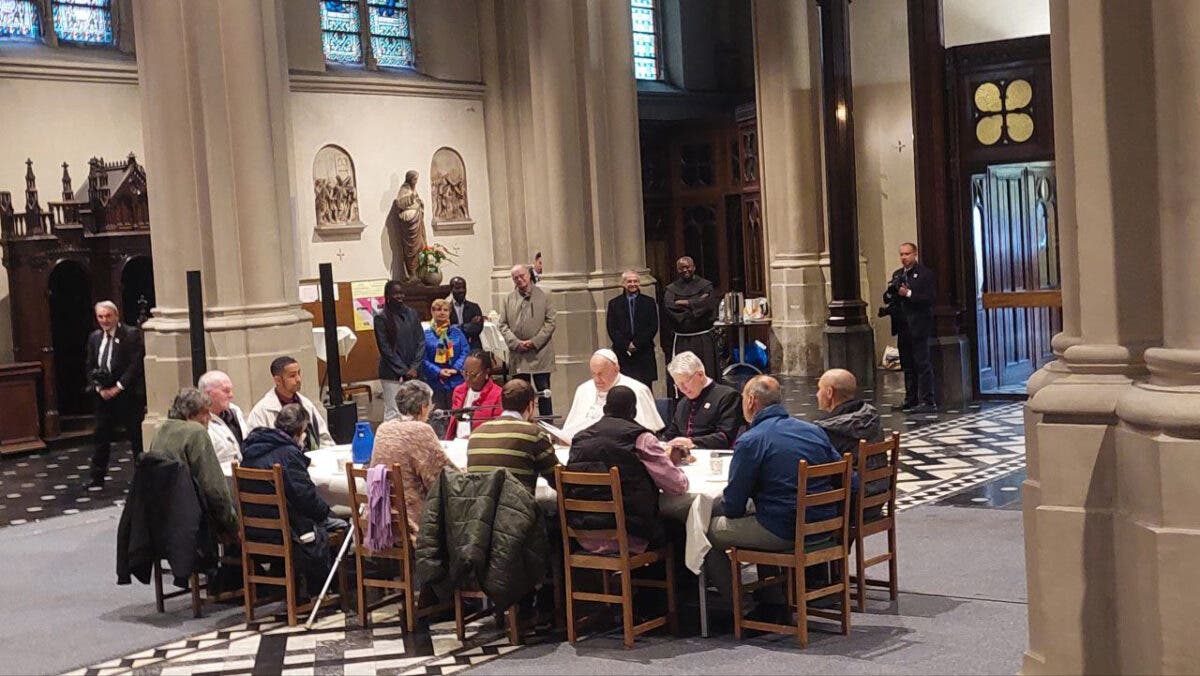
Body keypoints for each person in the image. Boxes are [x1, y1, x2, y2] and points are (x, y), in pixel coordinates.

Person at [704, 376, 842, 616]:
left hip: (783, 529)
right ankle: (772, 593)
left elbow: (734, 505)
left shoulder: (751, 440)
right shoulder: (813, 431)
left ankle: (744, 608)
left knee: (703, 533)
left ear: (750, 401)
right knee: (759, 511)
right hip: (823, 523)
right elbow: (846, 478)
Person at [567, 386, 690, 554]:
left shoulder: (580, 438)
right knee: (682, 529)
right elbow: (677, 486)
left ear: (605, 408)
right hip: (630, 533)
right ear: (633, 410)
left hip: (583, 533)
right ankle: (654, 579)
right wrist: (674, 468)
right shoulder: (640, 438)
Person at [241, 404, 338, 599]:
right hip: (288, 533)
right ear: (300, 431)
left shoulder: (251, 450)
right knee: (343, 524)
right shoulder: (289, 454)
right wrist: (327, 512)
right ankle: (323, 589)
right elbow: (305, 498)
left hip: (255, 531)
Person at [368, 380, 457, 541]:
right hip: (411, 518)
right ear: (423, 407)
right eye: (430, 405)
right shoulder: (420, 430)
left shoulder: (383, 428)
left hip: (381, 517)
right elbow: (439, 476)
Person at [147, 388, 240, 540]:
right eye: (205, 413)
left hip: (161, 514)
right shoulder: (196, 432)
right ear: (190, 415)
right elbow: (213, 488)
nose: (209, 418)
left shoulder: (161, 430)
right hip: (193, 517)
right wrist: (233, 525)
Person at [85, 300, 146, 487]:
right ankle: (97, 478)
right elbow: (90, 364)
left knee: (135, 436)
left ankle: (142, 477)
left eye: (108, 316)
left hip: (126, 395)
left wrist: (118, 387)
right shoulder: (95, 337)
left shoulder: (130, 334)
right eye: (100, 317)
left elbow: (135, 365)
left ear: (116, 315)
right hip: (103, 396)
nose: (104, 320)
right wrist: (98, 387)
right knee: (101, 436)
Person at [813, 368, 887, 518]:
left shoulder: (829, 430)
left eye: (819, 389)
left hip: (851, 505)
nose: (816, 394)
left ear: (829, 393)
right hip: (877, 498)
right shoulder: (871, 417)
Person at [466, 379, 559, 494]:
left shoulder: (476, 434)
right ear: (530, 406)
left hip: (479, 510)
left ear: (502, 404)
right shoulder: (533, 433)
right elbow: (557, 480)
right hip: (516, 510)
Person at [881, 241, 937, 413]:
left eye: (907, 254)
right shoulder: (898, 274)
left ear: (915, 254)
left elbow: (929, 298)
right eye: (901, 254)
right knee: (907, 364)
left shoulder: (925, 274)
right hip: (903, 326)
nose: (904, 258)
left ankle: (927, 401)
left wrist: (909, 294)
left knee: (922, 363)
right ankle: (910, 399)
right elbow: (892, 297)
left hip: (919, 325)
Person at [561, 349, 664, 439]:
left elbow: (644, 432)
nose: (596, 380)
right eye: (593, 374)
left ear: (616, 369)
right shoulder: (583, 389)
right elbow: (570, 429)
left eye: (601, 374)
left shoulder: (637, 390)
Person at [498, 263, 556, 417]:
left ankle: (547, 424)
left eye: (521, 276)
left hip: (540, 353)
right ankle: (521, 421)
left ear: (529, 275)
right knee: (520, 393)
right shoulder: (507, 299)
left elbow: (550, 322)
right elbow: (502, 324)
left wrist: (534, 342)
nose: (519, 279)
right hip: (519, 353)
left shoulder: (545, 294)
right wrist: (516, 343)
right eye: (515, 278)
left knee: (544, 392)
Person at [246, 356, 334, 450]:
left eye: (299, 373)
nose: (298, 379)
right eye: (292, 376)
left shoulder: (307, 405)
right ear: (278, 380)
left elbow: (325, 439)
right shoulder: (261, 411)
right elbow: (256, 448)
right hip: (280, 462)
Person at [661, 351, 743, 451]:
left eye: (685, 382)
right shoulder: (682, 403)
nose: (682, 389)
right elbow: (672, 433)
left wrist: (692, 442)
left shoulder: (727, 396)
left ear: (700, 374)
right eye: (678, 385)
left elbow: (725, 437)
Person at [374, 280, 425, 422]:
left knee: (414, 411)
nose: (399, 296)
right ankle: (389, 442)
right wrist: (403, 370)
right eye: (395, 293)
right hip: (391, 373)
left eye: (401, 293)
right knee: (394, 412)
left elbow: (421, 341)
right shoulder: (381, 318)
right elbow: (385, 348)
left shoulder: (412, 314)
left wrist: (414, 367)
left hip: (413, 371)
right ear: (388, 295)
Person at [663, 256, 719, 382]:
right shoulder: (671, 289)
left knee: (706, 372)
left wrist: (686, 303)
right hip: (683, 339)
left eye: (688, 267)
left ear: (694, 267)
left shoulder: (706, 285)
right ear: (677, 270)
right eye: (682, 268)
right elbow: (670, 307)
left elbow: (707, 304)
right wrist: (695, 306)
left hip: (703, 338)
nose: (685, 270)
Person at [606, 270, 659, 388]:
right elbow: (612, 328)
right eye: (629, 281)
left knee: (644, 388)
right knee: (625, 388)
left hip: (643, 352)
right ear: (623, 284)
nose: (633, 284)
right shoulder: (614, 304)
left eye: (635, 281)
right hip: (623, 354)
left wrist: (636, 344)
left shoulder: (649, 302)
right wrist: (626, 345)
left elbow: (653, 326)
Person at [445, 350, 504, 440]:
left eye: (473, 375)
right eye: (465, 373)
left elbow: (498, 430)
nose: (468, 378)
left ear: (486, 372)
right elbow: (453, 425)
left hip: (482, 446)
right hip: (457, 444)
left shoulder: (498, 395)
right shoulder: (459, 391)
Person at [423, 298, 469, 411]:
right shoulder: (425, 335)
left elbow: (465, 351)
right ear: (432, 312)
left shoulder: (457, 333)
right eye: (438, 309)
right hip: (435, 382)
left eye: (445, 310)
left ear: (449, 313)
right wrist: (438, 371)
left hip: (457, 380)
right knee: (438, 416)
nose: (442, 312)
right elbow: (423, 358)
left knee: (459, 414)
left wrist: (455, 369)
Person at [198, 370, 247, 463]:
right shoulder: (200, 421)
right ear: (208, 393)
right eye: (226, 391)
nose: (231, 395)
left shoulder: (235, 410)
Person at [395, 170, 429, 282]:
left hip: (417, 222)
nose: (416, 182)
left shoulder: (414, 190)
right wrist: (411, 198)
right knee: (411, 250)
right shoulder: (404, 189)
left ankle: (420, 273)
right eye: (414, 179)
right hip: (409, 224)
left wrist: (420, 203)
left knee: (420, 247)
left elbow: (417, 202)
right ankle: (412, 273)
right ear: (409, 179)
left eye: (416, 179)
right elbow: (400, 203)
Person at [448, 276, 485, 352]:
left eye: (463, 287)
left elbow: (477, 328)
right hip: (453, 347)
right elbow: (446, 330)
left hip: (472, 347)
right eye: (458, 288)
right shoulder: (446, 309)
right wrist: (467, 325)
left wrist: (455, 327)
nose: (462, 290)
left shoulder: (474, 307)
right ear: (451, 290)